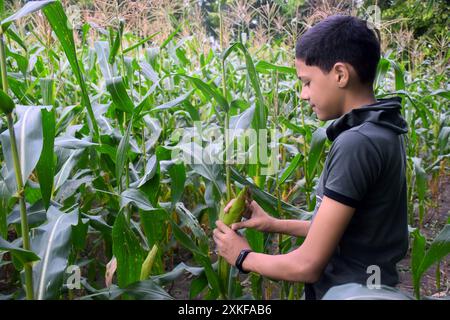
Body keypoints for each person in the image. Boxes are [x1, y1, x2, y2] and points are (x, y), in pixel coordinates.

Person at [212, 14, 409, 300]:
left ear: (340, 74)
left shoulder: (357, 143)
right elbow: (353, 229)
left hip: (348, 292)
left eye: (306, 82)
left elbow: (308, 266)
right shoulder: (383, 129)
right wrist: (273, 224)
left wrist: (242, 255)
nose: (303, 95)